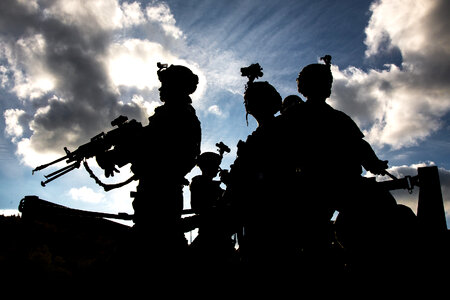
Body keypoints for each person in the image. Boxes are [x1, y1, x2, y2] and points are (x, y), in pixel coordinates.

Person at [97, 63, 201, 272]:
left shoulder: (175, 114)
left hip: (159, 194)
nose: (160, 89)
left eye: (165, 84)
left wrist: (113, 155)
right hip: (159, 193)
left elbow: (149, 145)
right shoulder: (179, 114)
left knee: (153, 251)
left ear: (176, 86)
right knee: (163, 248)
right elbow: (148, 144)